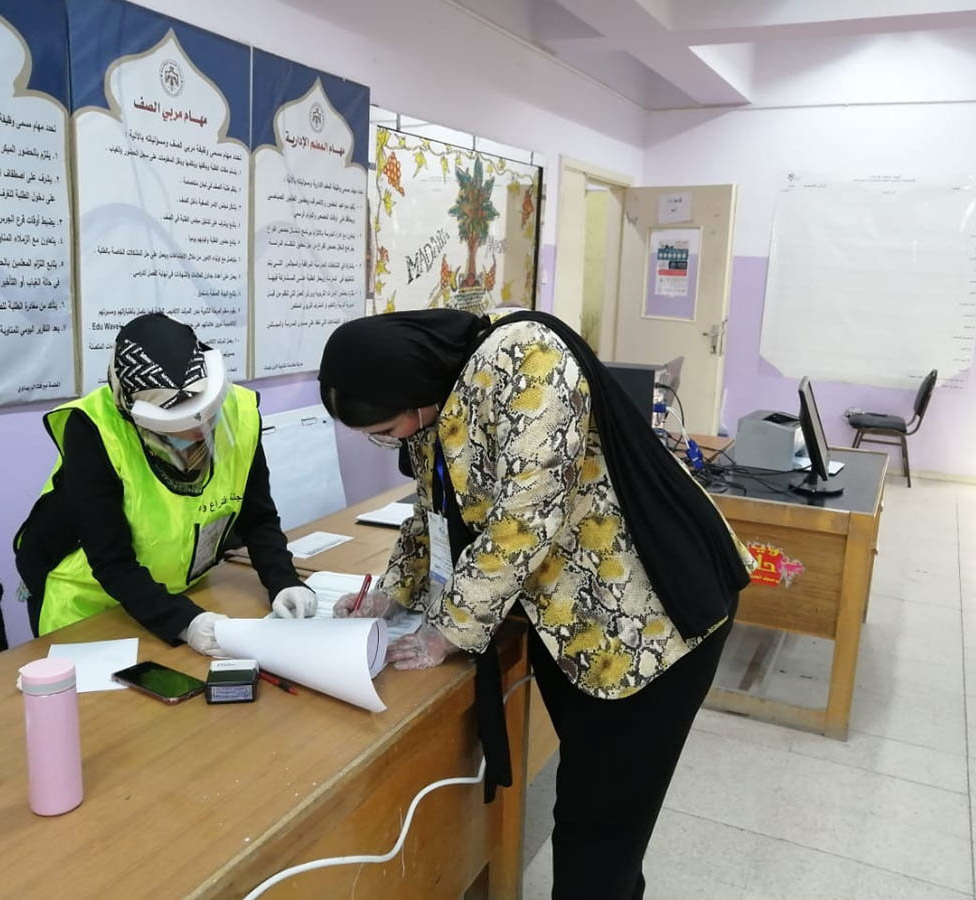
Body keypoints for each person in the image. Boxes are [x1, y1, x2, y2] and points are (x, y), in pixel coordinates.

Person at [318, 308, 754, 900]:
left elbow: (525, 517)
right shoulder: (435, 403)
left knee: (596, 835)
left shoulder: (529, 357)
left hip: (648, 619)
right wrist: (389, 596)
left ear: (410, 391)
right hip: (575, 618)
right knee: (601, 819)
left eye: (384, 430)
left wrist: (444, 632)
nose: (387, 441)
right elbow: (432, 511)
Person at [15, 314, 316, 656]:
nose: (199, 435)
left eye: (208, 420)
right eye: (178, 431)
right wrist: (184, 622)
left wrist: (283, 580)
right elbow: (112, 561)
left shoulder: (237, 410)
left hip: (173, 591)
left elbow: (257, 517)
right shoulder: (93, 432)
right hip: (90, 602)